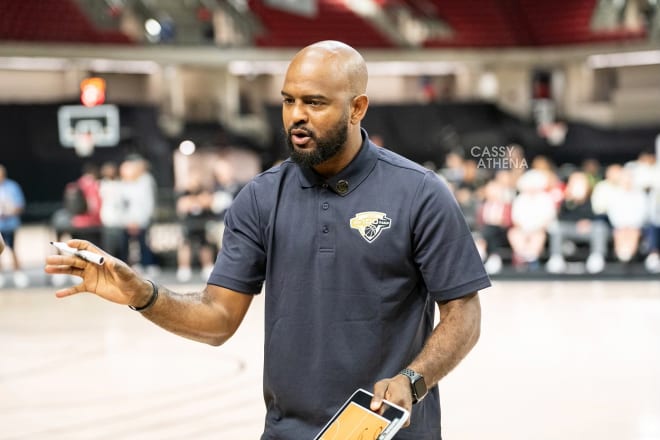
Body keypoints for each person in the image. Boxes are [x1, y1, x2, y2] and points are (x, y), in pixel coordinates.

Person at [45, 40, 489, 439]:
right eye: (289, 100)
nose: (296, 115)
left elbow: (463, 311)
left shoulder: (419, 192)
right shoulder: (259, 198)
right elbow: (217, 317)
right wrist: (142, 294)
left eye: (315, 102)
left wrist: (415, 379)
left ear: (357, 109)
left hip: (391, 433)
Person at [0, 164, 28, 288]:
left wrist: (11, 210)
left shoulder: (12, 186)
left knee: (12, 248)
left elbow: (20, 204)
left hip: (10, 223)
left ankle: (18, 273)